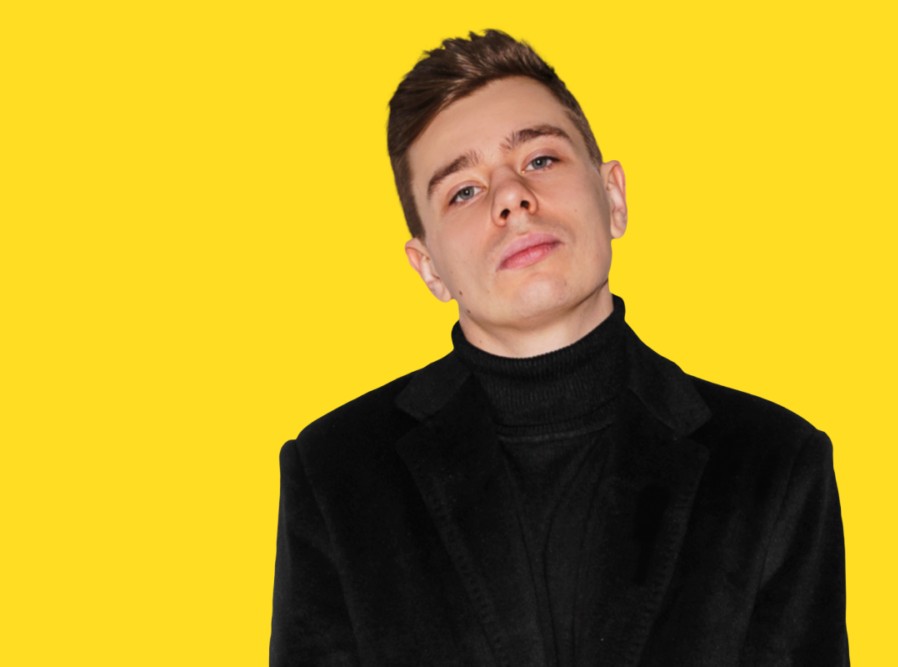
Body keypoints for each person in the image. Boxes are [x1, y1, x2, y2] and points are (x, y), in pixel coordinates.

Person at [270, 29, 848, 667]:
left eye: (540, 160)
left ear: (613, 197)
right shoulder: (336, 475)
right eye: (464, 191)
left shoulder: (773, 465)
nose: (511, 197)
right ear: (428, 266)